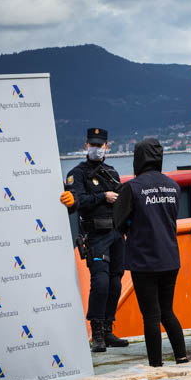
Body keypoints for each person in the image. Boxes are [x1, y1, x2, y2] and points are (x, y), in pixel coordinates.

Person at [113, 139, 187, 367]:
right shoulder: (173, 186)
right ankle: (181, 357)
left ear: (138, 158)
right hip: (170, 257)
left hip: (144, 260)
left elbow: (118, 221)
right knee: (167, 311)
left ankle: (156, 365)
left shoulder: (133, 188)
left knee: (151, 316)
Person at [65, 128, 129, 353]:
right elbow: (77, 201)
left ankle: (108, 329)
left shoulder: (111, 172)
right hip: (95, 234)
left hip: (116, 233)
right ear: (86, 146)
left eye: (100, 145)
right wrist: (103, 196)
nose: (96, 149)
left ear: (106, 147)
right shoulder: (77, 173)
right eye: (92, 145)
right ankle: (97, 333)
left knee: (115, 284)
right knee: (100, 283)